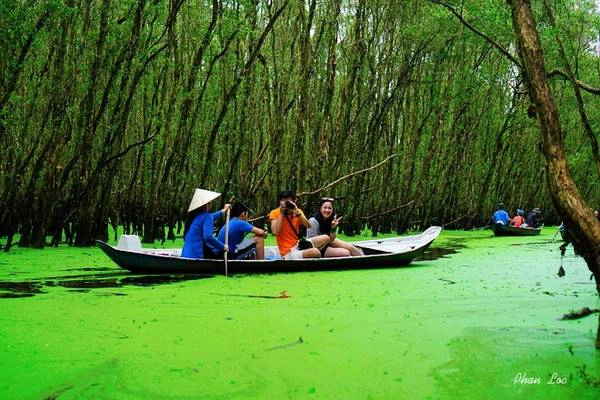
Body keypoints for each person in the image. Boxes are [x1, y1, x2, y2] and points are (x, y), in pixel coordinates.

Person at [268, 190, 329, 259]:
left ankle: (306, 253)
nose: (287, 204)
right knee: (316, 252)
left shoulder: (297, 211)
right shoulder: (275, 212)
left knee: (326, 238)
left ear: (294, 202)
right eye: (284, 201)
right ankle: (309, 254)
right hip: (288, 252)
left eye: (289, 202)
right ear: (280, 202)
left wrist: (297, 212)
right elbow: (275, 231)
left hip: (298, 245)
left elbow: (308, 225)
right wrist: (282, 213)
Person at [181, 188, 231, 259]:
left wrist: (223, 211)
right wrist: (223, 246)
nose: (211, 204)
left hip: (185, 254)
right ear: (205, 204)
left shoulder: (194, 217)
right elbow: (208, 237)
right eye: (210, 202)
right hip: (196, 255)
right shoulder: (206, 216)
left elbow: (211, 217)